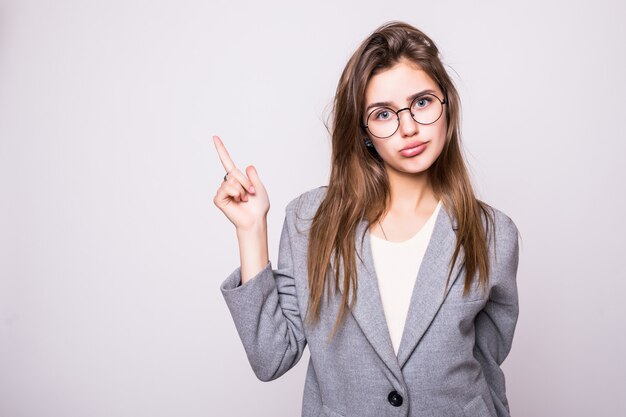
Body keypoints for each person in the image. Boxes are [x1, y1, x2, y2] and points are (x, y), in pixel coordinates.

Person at [213, 21, 520, 417]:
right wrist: (251, 230)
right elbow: (272, 357)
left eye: (423, 101)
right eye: (383, 114)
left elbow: (486, 363)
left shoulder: (494, 235)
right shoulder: (310, 221)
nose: (408, 127)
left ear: (447, 105)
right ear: (363, 132)